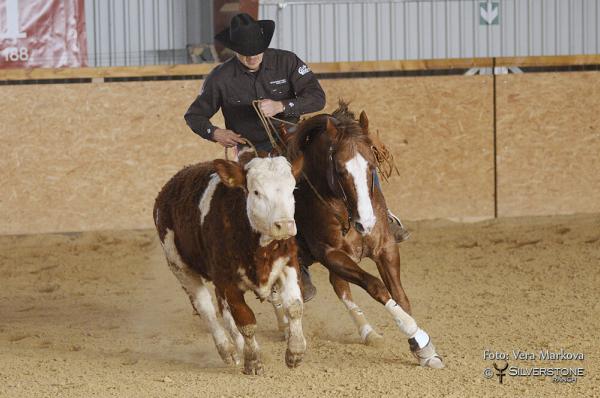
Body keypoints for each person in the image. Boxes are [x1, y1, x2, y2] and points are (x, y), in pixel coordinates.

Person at [184, 13, 409, 302]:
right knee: (259, 198)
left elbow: (316, 97)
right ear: (235, 51)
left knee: (350, 157)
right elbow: (195, 115)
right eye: (246, 54)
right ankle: (292, 260)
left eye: (257, 52)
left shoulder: (288, 62)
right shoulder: (221, 78)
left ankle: (383, 216)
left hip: (293, 136)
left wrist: (282, 104)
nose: (253, 58)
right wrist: (216, 132)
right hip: (255, 149)